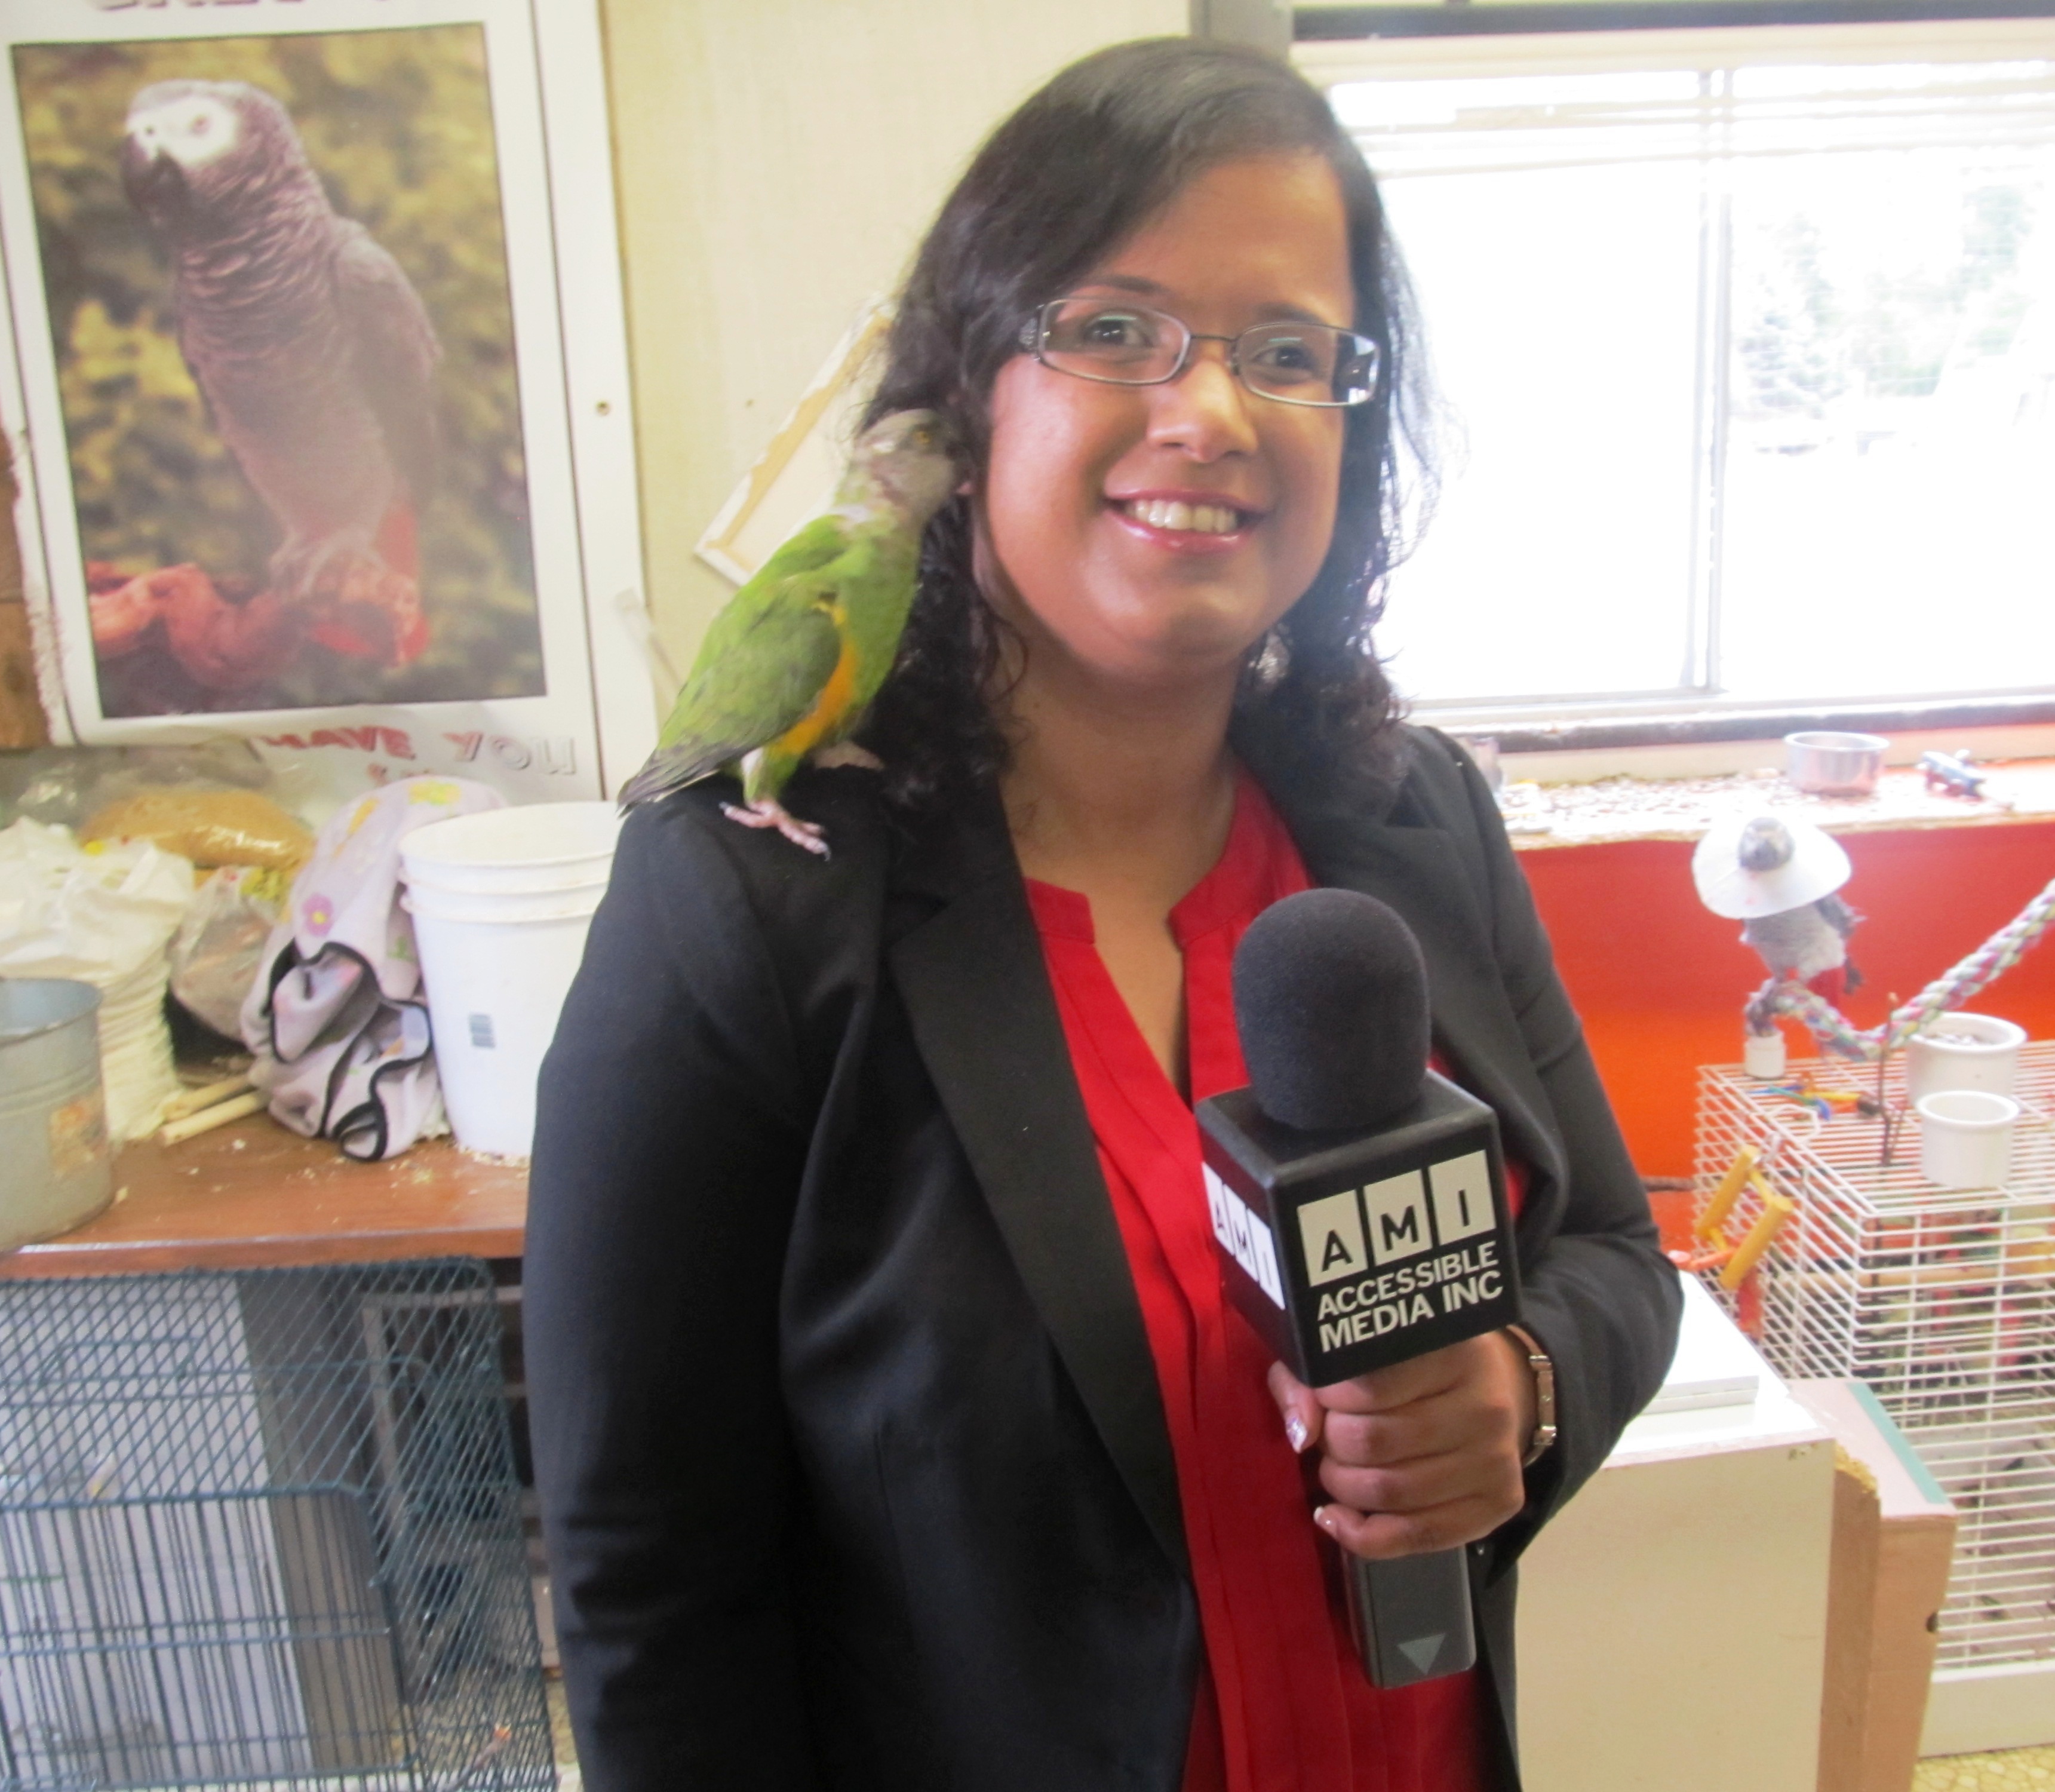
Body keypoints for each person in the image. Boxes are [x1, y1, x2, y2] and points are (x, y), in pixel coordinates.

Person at [526, 38, 1681, 1792]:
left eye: (1288, 354)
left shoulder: (1412, 822)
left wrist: (1519, 1388)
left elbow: (1611, 1254)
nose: (1210, 413)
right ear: (974, 384)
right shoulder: (749, 908)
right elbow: (652, 1584)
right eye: (1116, 328)